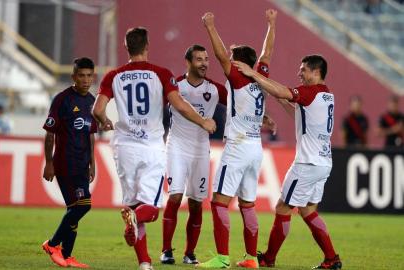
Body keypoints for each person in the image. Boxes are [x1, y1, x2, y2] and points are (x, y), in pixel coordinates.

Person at [91, 27, 216, 270]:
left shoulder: (113, 76)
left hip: (124, 146)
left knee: (135, 204)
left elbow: (97, 109)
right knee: (151, 209)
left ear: (126, 47)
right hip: (151, 147)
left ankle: (145, 263)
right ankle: (134, 222)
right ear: (147, 45)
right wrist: (203, 121)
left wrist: (104, 121)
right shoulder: (161, 73)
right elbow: (179, 105)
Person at [233, 55, 342, 269]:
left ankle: (269, 259)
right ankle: (332, 259)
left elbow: (283, 90)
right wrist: (281, 99)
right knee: (308, 210)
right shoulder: (326, 95)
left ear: (316, 72)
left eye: (303, 70)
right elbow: (300, 114)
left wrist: (252, 73)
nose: (299, 73)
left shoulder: (310, 92)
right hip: (323, 163)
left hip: (307, 164)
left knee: (283, 207)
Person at [199, 9, 277, 269]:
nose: (229, 61)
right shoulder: (260, 77)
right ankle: (252, 258)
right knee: (247, 205)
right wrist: (272, 24)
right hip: (256, 148)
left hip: (238, 146)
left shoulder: (240, 78)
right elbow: (266, 54)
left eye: (234, 58)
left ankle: (221, 258)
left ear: (240, 62)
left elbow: (221, 56)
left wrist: (210, 26)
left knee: (219, 202)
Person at [160, 44, 227, 265]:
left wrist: (262, 118)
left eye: (206, 59)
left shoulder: (216, 89)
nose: (204, 63)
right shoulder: (175, 86)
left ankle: (189, 253)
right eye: (199, 59)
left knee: (197, 203)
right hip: (177, 146)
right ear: (187, 62)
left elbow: (239, 104)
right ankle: (166, 250)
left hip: (200, 150)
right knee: (176, 197)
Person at [41, 57, 97, 268]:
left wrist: (93, 163)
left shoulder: (92, 100)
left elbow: (91, 134)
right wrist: (49, 163)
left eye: (89, 75)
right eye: (81, 75)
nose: (85, 79)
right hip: (64, 162)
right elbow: (49, 133)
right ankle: (53, 244)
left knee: (74, 208)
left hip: (82, 164)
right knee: (83, 206)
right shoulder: (62, 99)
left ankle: (66, 255)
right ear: (73, 76)